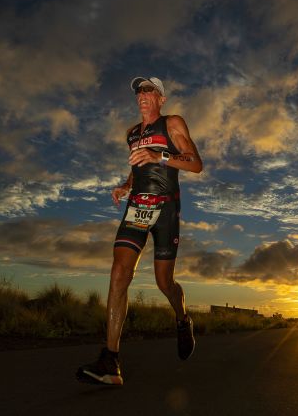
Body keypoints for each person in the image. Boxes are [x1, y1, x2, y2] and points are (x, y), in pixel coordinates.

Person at [77, 76, 203, 385]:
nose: (143, 94)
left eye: (150, 90)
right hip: (137, 207)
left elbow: (196, 163)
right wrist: (126, 185)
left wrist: (159, 155)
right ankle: (110, 361)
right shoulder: (132, 134)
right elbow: (138, 167)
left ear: (161, 99)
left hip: (166, 209)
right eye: (139, 90)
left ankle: (182, 318)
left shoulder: (172, 123)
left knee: (164, 283)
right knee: (120, 271)